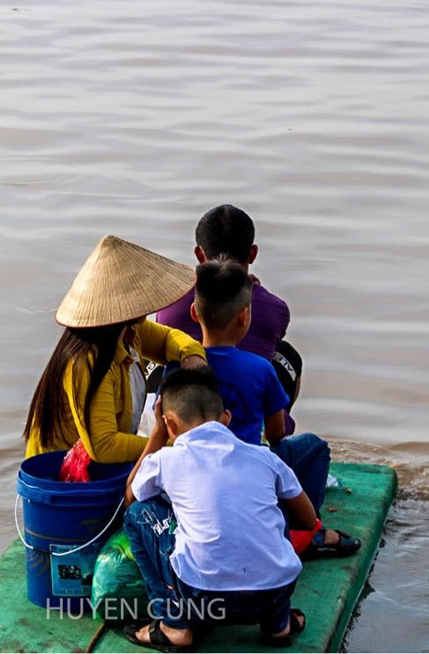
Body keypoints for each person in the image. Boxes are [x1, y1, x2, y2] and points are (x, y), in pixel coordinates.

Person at [123, 367, 315, 651]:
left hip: (202, 599)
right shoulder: (264, 457)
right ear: (226, 418)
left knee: (137, 515)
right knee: (274, 502)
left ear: (169, 424)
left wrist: (157, 436)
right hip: (274, 593)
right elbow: (308, 519)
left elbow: (130, 496)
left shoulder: (166, 459)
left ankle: (174, 626)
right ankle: (278, 625)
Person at [191, 258, 361, 559]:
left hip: (196, 470)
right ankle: (308, 532)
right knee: (315, 447)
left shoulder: (183, 365)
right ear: (244, 318)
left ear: (194, 313)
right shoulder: (260, 369)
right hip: (250, 466)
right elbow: (277, 432)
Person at [23, 235, 207, 463]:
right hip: (63, 479)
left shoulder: (129, 332)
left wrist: (191, 355)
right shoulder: (86, 361)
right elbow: (104, 446)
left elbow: (168, 337)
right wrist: (172, 444)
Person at [156, 204, 303, 433]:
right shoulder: (275, 308)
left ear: (199, 254)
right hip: (252, 422)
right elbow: (276, 436)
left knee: (161, 353)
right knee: (287, 355)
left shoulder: (171, 301)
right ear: (252, 253)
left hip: (182, 413)